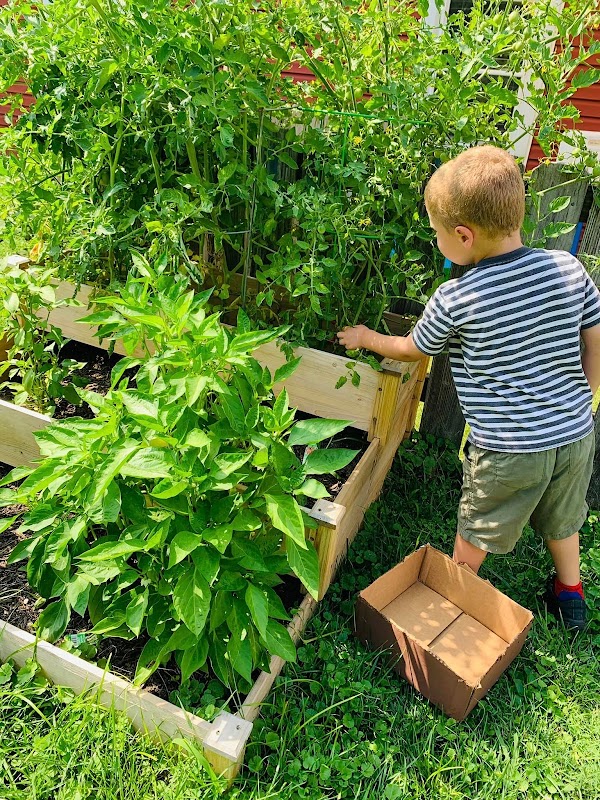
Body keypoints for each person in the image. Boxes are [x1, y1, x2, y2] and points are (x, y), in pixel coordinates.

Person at [337, 144, 600, 631]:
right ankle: (570, 593)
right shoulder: (568, 270)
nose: (437, 240)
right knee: (564, 520)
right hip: (575, 434)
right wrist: (587, 390)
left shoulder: (458, 297)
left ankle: (454, 597)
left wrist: (367, 338)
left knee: (478, 527)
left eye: (438, 233)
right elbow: (594, 333)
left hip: (507, 449)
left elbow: (415, 347)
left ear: (462, 235)